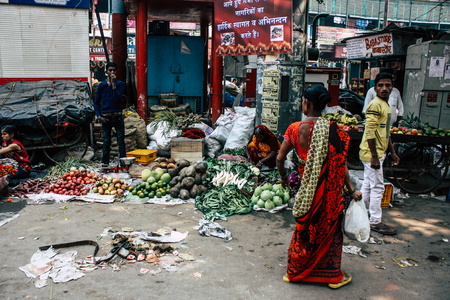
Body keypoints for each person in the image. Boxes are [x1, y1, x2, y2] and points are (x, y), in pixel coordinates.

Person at [277, 85, 362, 288]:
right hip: (328, 193)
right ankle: (331, 276)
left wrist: (284, 179)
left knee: (305, 229)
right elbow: (340, 165)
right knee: (329, 231)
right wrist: (351, 190)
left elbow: (280, 158)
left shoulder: (294, 129)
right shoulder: (334, 130)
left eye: (303, 101)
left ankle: (296, 271)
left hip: (307, 191)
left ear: (307, 103)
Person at [360, 72, 400, 235]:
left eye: (388, 85)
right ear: (375, 88)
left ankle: (361, 213)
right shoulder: (376, 105)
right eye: (381, 85)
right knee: (377, 187)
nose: (384, 88)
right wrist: (375, 157)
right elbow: (369, 131)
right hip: (371, 154)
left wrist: (392, 151)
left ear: (392, 88)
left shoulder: (386, 105)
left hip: (376, 152)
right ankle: (375, 221)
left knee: (368, 185)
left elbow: (385, 131)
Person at [94, 62, 126, 167]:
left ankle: (123, 163)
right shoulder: (101, 86)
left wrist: (113, 84)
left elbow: (117, 99)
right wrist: (99, 116)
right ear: (107, 72)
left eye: (114, 70)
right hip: (106, 118)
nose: (112, 72)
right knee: (106, 141)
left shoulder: (120, 84)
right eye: (110, 70)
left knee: (121, 141)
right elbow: (96, 102)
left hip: (117, 117)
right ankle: (105, 163)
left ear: (116, 71)